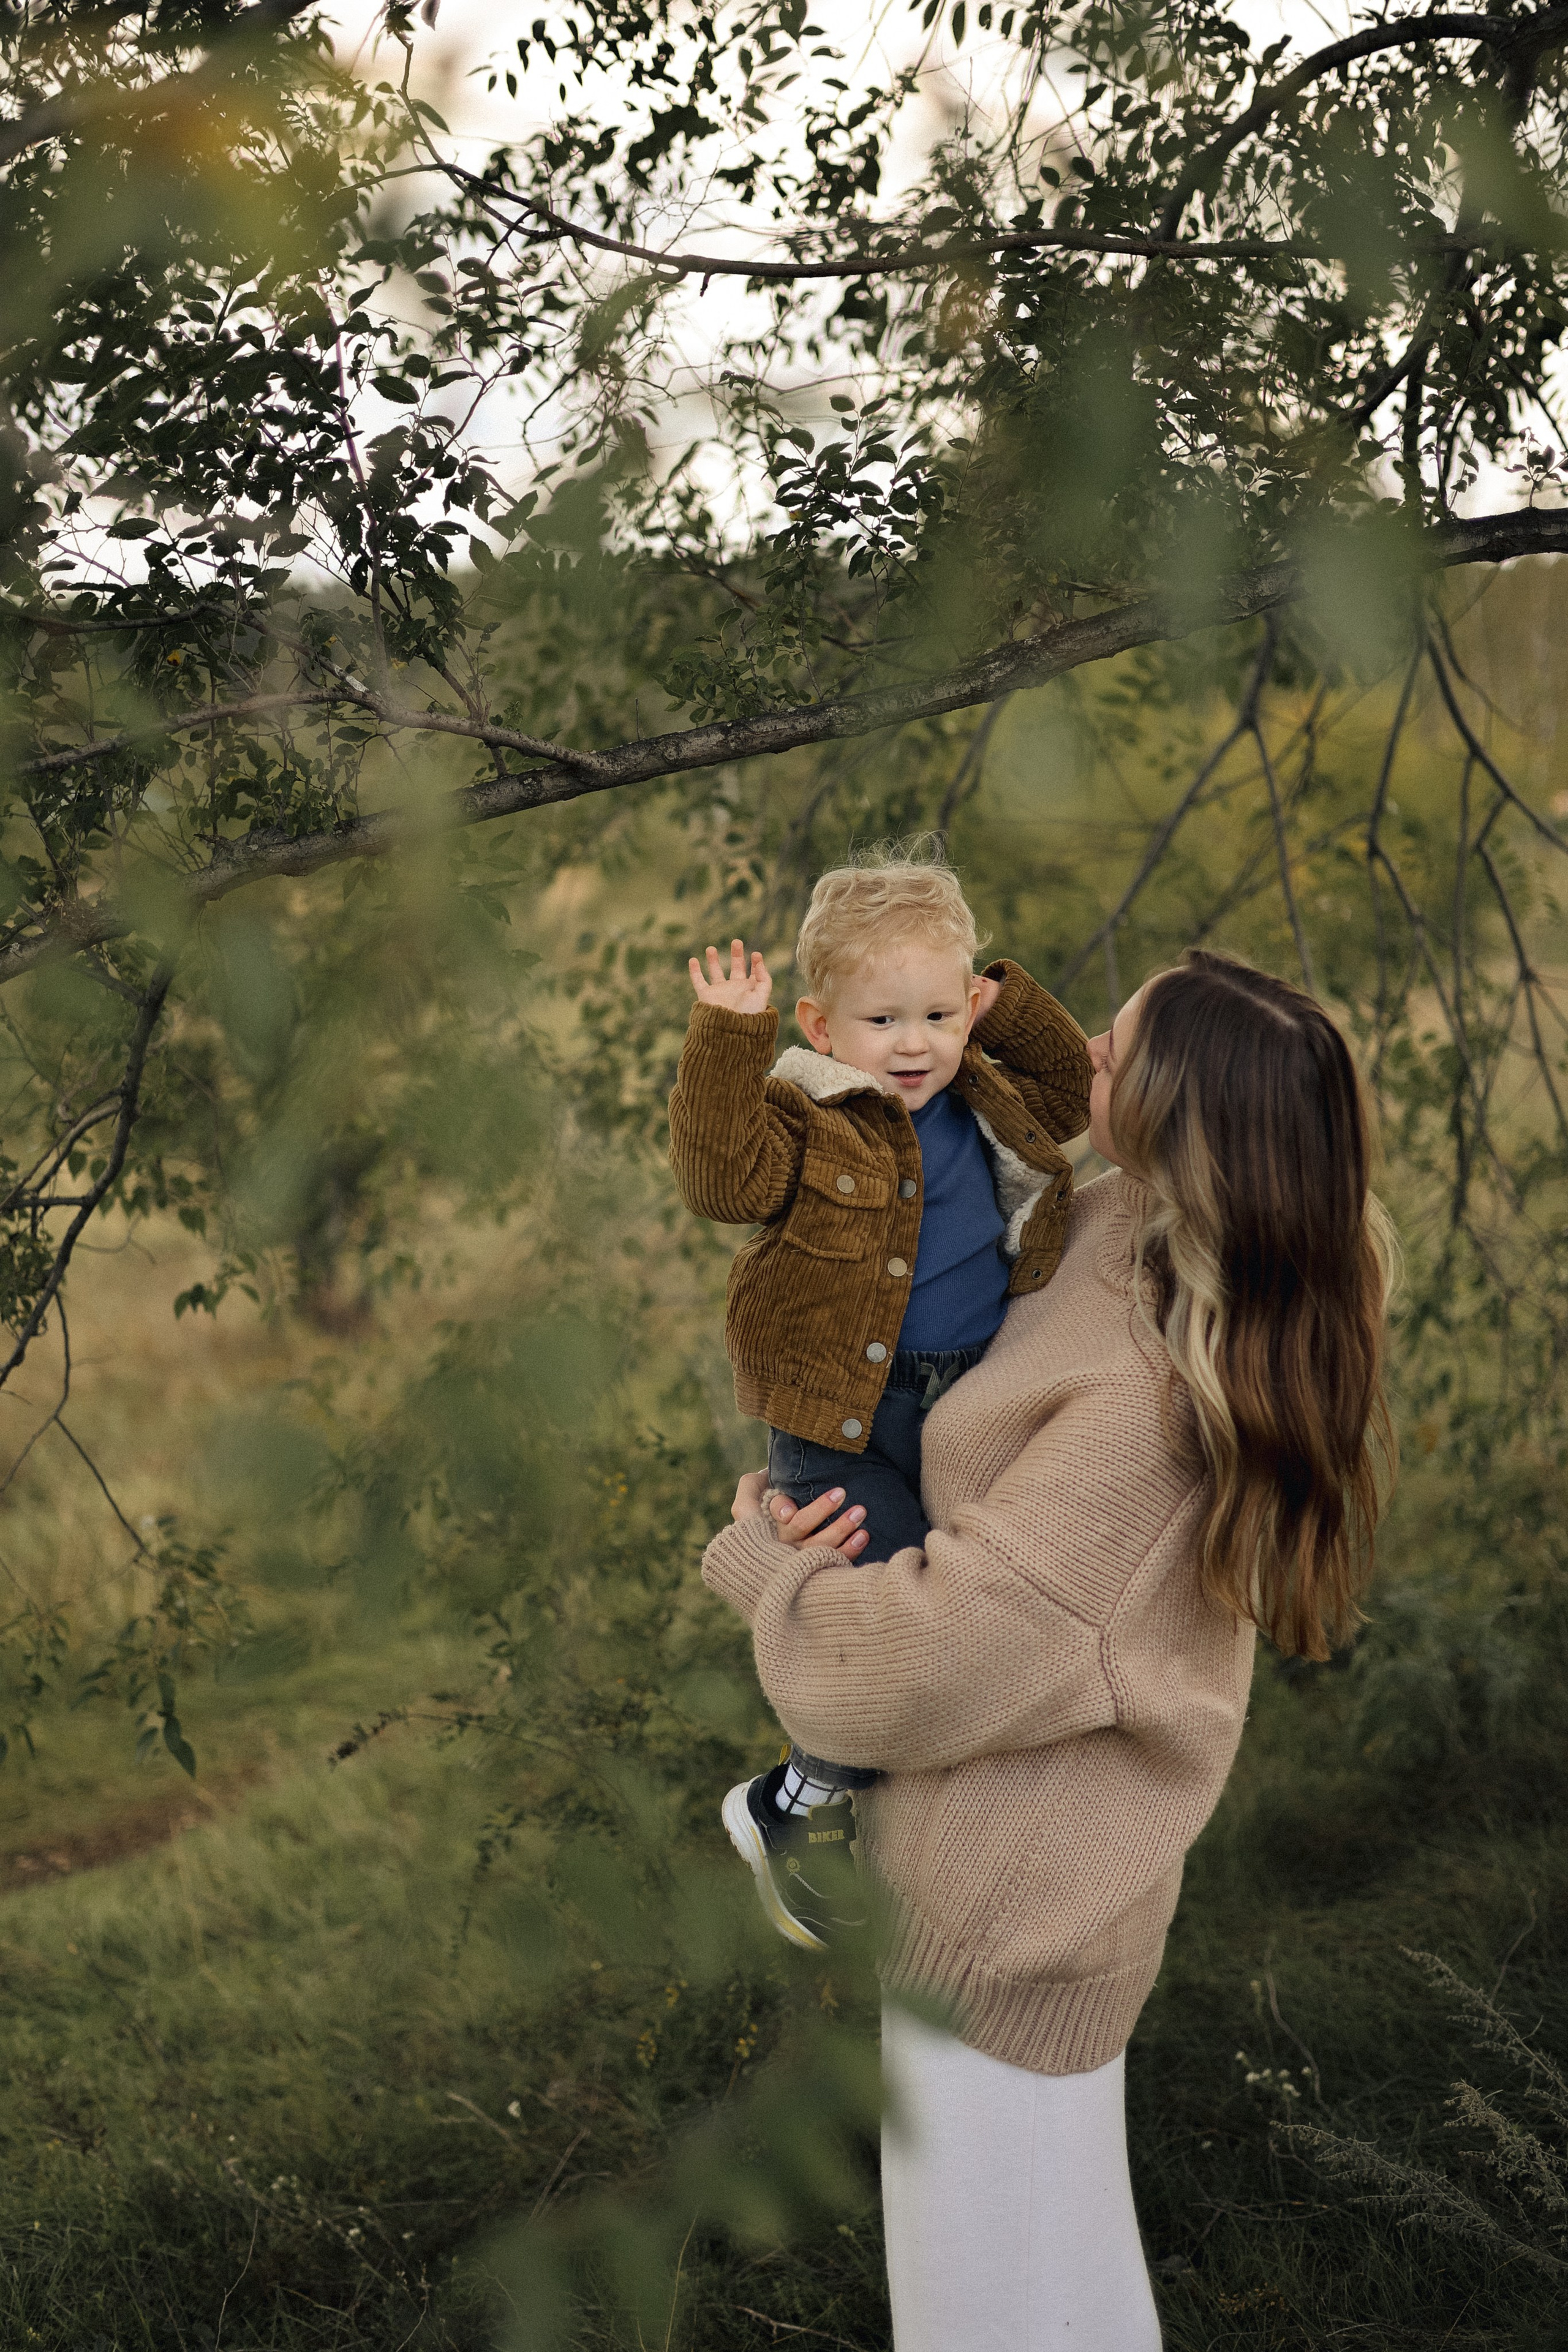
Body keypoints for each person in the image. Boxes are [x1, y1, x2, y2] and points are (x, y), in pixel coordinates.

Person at [700, 949, 1397, 2352]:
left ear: (1178, 1120)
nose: (1078, 1043)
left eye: (1115, 1044)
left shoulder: (1142, 1419)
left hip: (1010, 1926)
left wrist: (763, 1563)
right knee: (1059, 2301)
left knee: (998, 2321)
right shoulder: (1113, 1217)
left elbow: (907, 1672)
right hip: (1000, 1878)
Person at [668, 848, 1091, 1948]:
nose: (915, 1044)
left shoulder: (985, 1091)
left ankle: (934, 1841)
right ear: (819, 1025)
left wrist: (1007, 1002)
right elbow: (722, 1182)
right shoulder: (807, 1121)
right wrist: (727, 1037)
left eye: (940, 1014)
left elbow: (1075, 1094)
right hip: (838, 1422)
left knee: (971, 1625)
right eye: (882, 1020)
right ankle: (801, 1797)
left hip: (961, 1405)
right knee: (886, 1633)